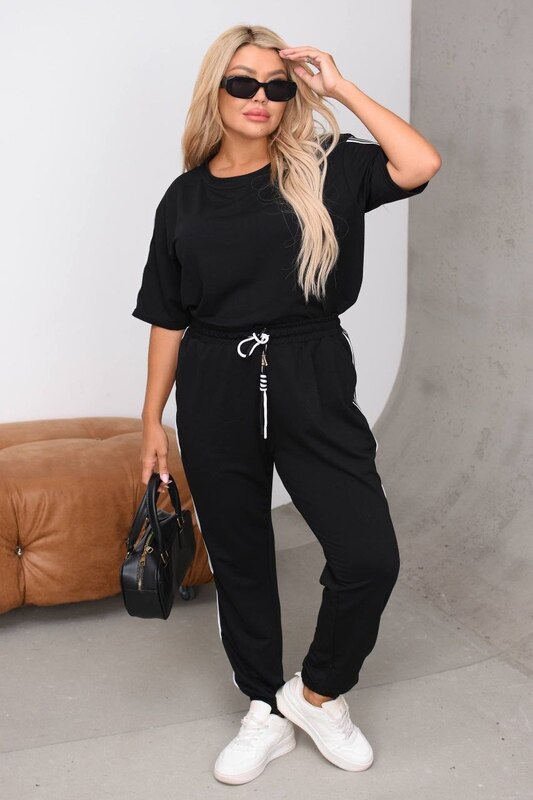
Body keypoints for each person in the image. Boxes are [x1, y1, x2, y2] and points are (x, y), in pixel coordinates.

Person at [132, 24, 441, 786]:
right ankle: (264, 709)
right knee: (240, 559)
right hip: (214, 382)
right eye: (242, 82)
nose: (260, 97)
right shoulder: (185, 197)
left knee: (367, 556)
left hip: (312, 374)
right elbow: (167, 315)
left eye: (276, 85)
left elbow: (419, 163)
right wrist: (151, 421)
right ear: (215, 90)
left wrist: (338, 86)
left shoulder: (325, 169)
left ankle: (317, 694)